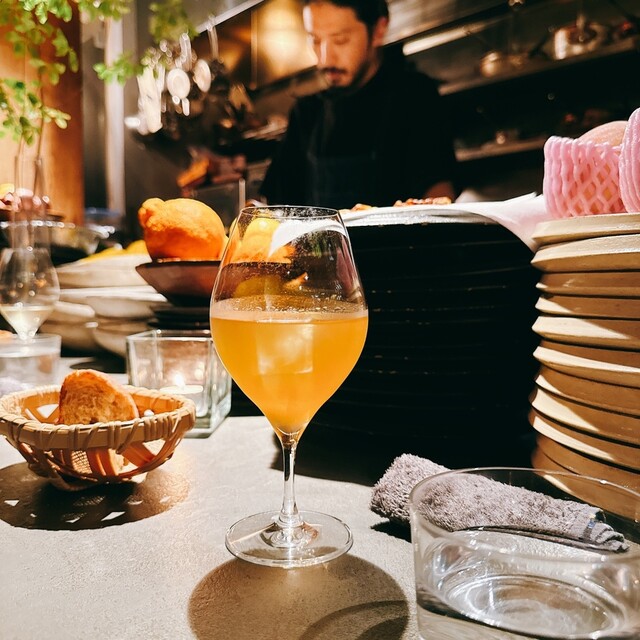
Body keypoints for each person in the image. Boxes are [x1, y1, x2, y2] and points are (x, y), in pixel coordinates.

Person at [260, 0, 458, 210]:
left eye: (340, 40)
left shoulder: (414, 95)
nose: (325, 60)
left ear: (378, 30)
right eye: (316, 40)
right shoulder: (306, 112)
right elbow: (277, 204)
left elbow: (439, 193)